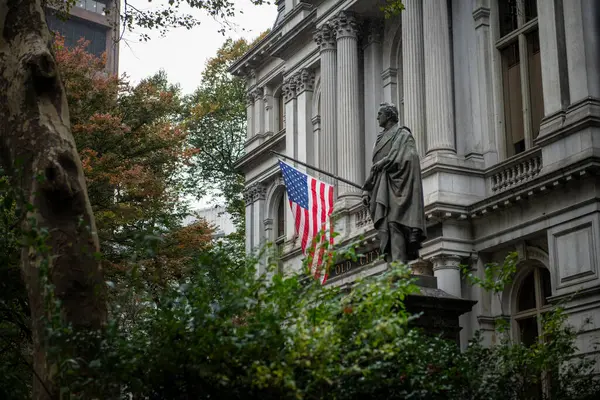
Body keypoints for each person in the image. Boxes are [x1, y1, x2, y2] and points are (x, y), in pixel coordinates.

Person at [362, 103, 426, 263]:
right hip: (380, 187)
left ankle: (398, 267)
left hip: (399, 186)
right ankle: (394, 269)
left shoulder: (402, 134)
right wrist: (367, 191)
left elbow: (411, 157)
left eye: (380, 113)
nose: (377, 117)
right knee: (387, 228)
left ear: (389, 115)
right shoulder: (379, 139)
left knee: (394, 223)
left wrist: (386, 161)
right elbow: (374, 169)